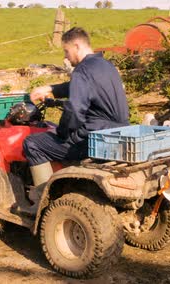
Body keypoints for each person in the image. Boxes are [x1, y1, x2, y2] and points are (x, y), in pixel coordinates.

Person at [22, 27, 129, 208]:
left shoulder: (82, 71)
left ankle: (44, 200)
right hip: (117, 133)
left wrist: (62, 133)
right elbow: (81, 86)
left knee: (32, 143)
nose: (66, 57)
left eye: (66, 50)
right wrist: (52, 89)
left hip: (92, 140)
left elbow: (74, 111)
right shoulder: (105, 65)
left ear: (77, 46)